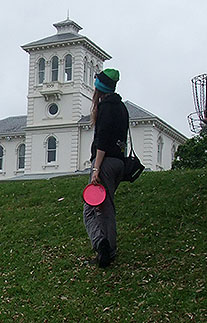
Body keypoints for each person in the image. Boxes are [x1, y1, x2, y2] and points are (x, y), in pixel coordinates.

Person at [84, 68, 128, 268]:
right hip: (119, 162)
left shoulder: (105, 108)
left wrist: (96, 169)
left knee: (96, 209)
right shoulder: (121, 108)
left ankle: (104, 248)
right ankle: (106, 247)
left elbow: (102, 140)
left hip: (105, 163)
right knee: (104, 206)